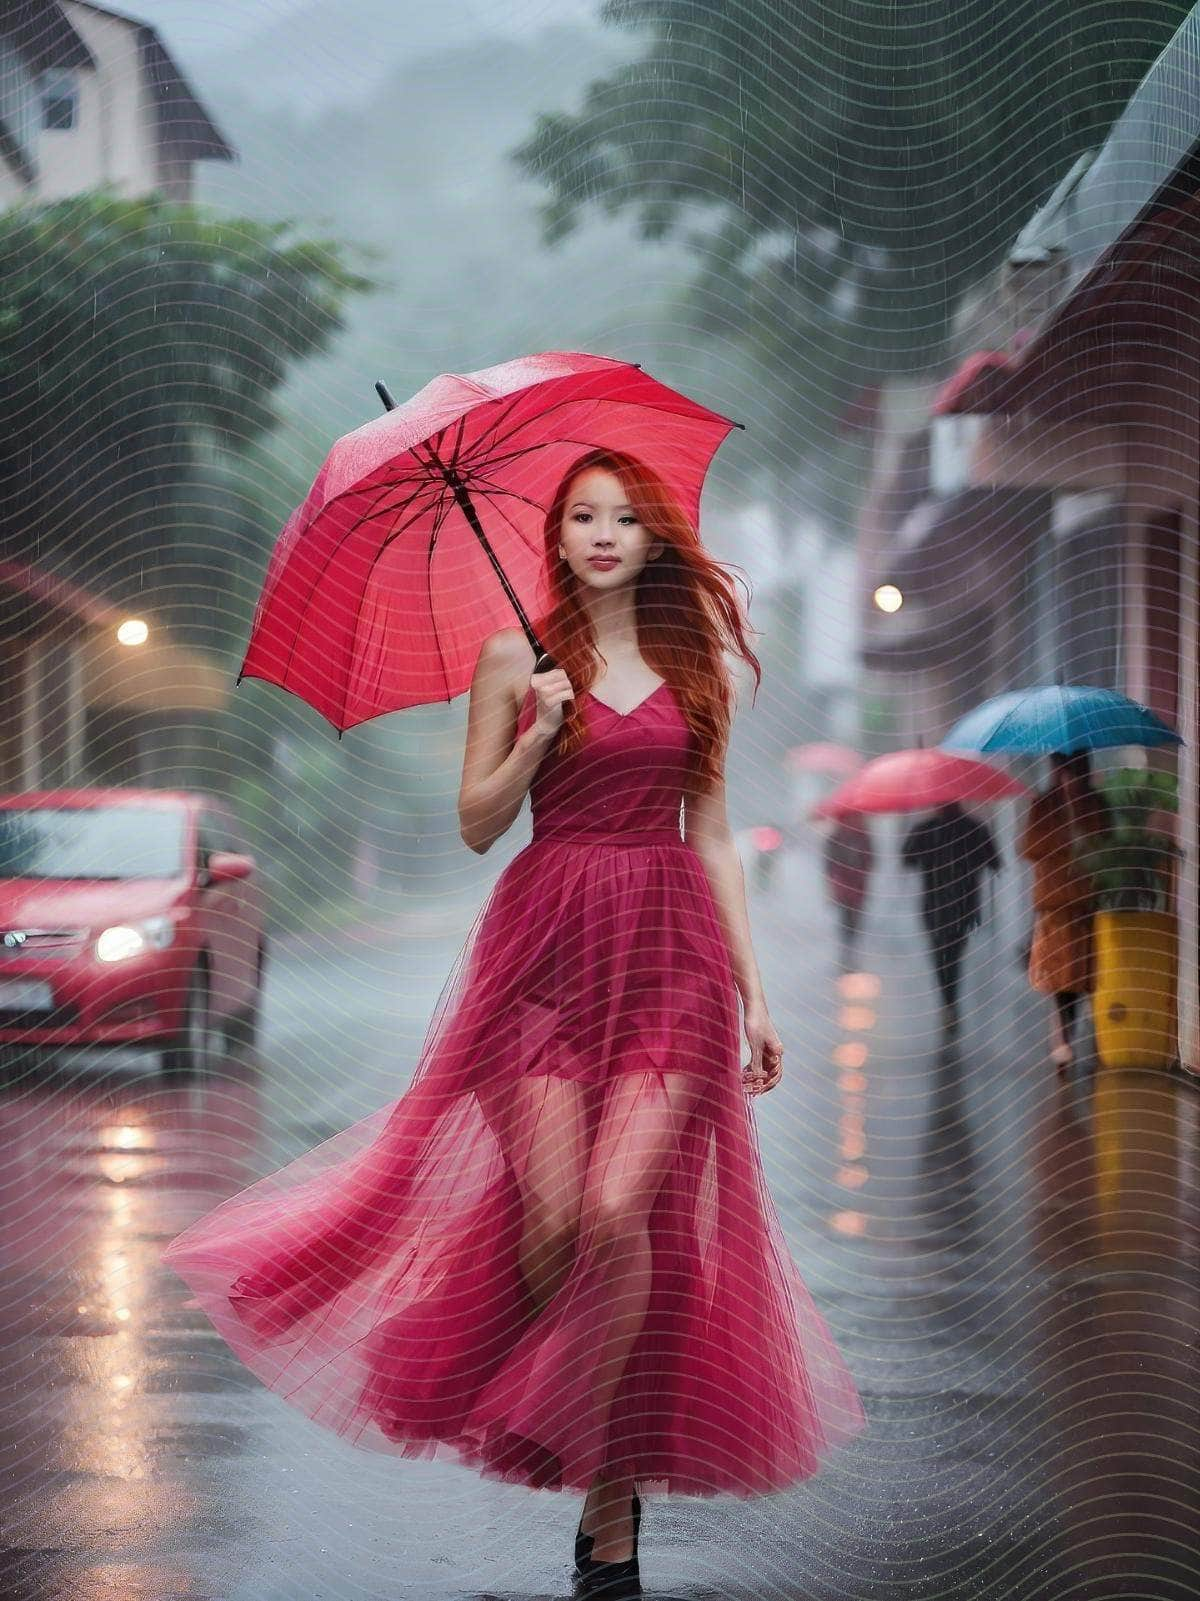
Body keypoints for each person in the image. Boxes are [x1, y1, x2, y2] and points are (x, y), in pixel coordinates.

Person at [161, 447, 864, 1599]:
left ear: (653, 539)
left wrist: (756, 989)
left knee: (614, 1205)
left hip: (669, 953)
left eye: (624, 519)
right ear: (558, 537)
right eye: (582, 517)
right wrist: (536, 734)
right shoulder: (513, 659)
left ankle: (610, 1495)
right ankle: (598, 1434)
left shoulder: (699, 666)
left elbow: (717, 829)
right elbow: (481, 821)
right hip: (541, 955)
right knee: (550, 1228)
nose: (602, 535)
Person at [1019, 750, 1110, 1073]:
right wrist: (1063, 829)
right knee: (1060, 977)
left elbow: (1105, 843)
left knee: (1086, 974)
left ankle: (1078, 1036)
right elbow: (1029, 847)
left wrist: (1079, 819)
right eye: (1059, 768)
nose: (1065, 774)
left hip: (1086, 902)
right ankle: (1063, 1039)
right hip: (1055, 903)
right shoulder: (1043, 804)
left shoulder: (1095, 803)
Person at [900, 801, 1002, 1036]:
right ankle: (950, 1001)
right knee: (955, 952)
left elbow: (907, 859)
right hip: (964, 905)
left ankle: (948, 1002)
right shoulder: (974, 828)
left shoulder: (925, 829)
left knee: (939, 953)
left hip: (933, 905)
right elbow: (994, 861)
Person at [823, 812, 874, 970]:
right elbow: (829, 864)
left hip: (858, 886)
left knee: (855, 919)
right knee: (846, 919)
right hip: (843, 886)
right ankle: (847, 953)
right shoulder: (836, 838)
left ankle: (851, 951)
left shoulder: (863, 837)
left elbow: (871, 860)